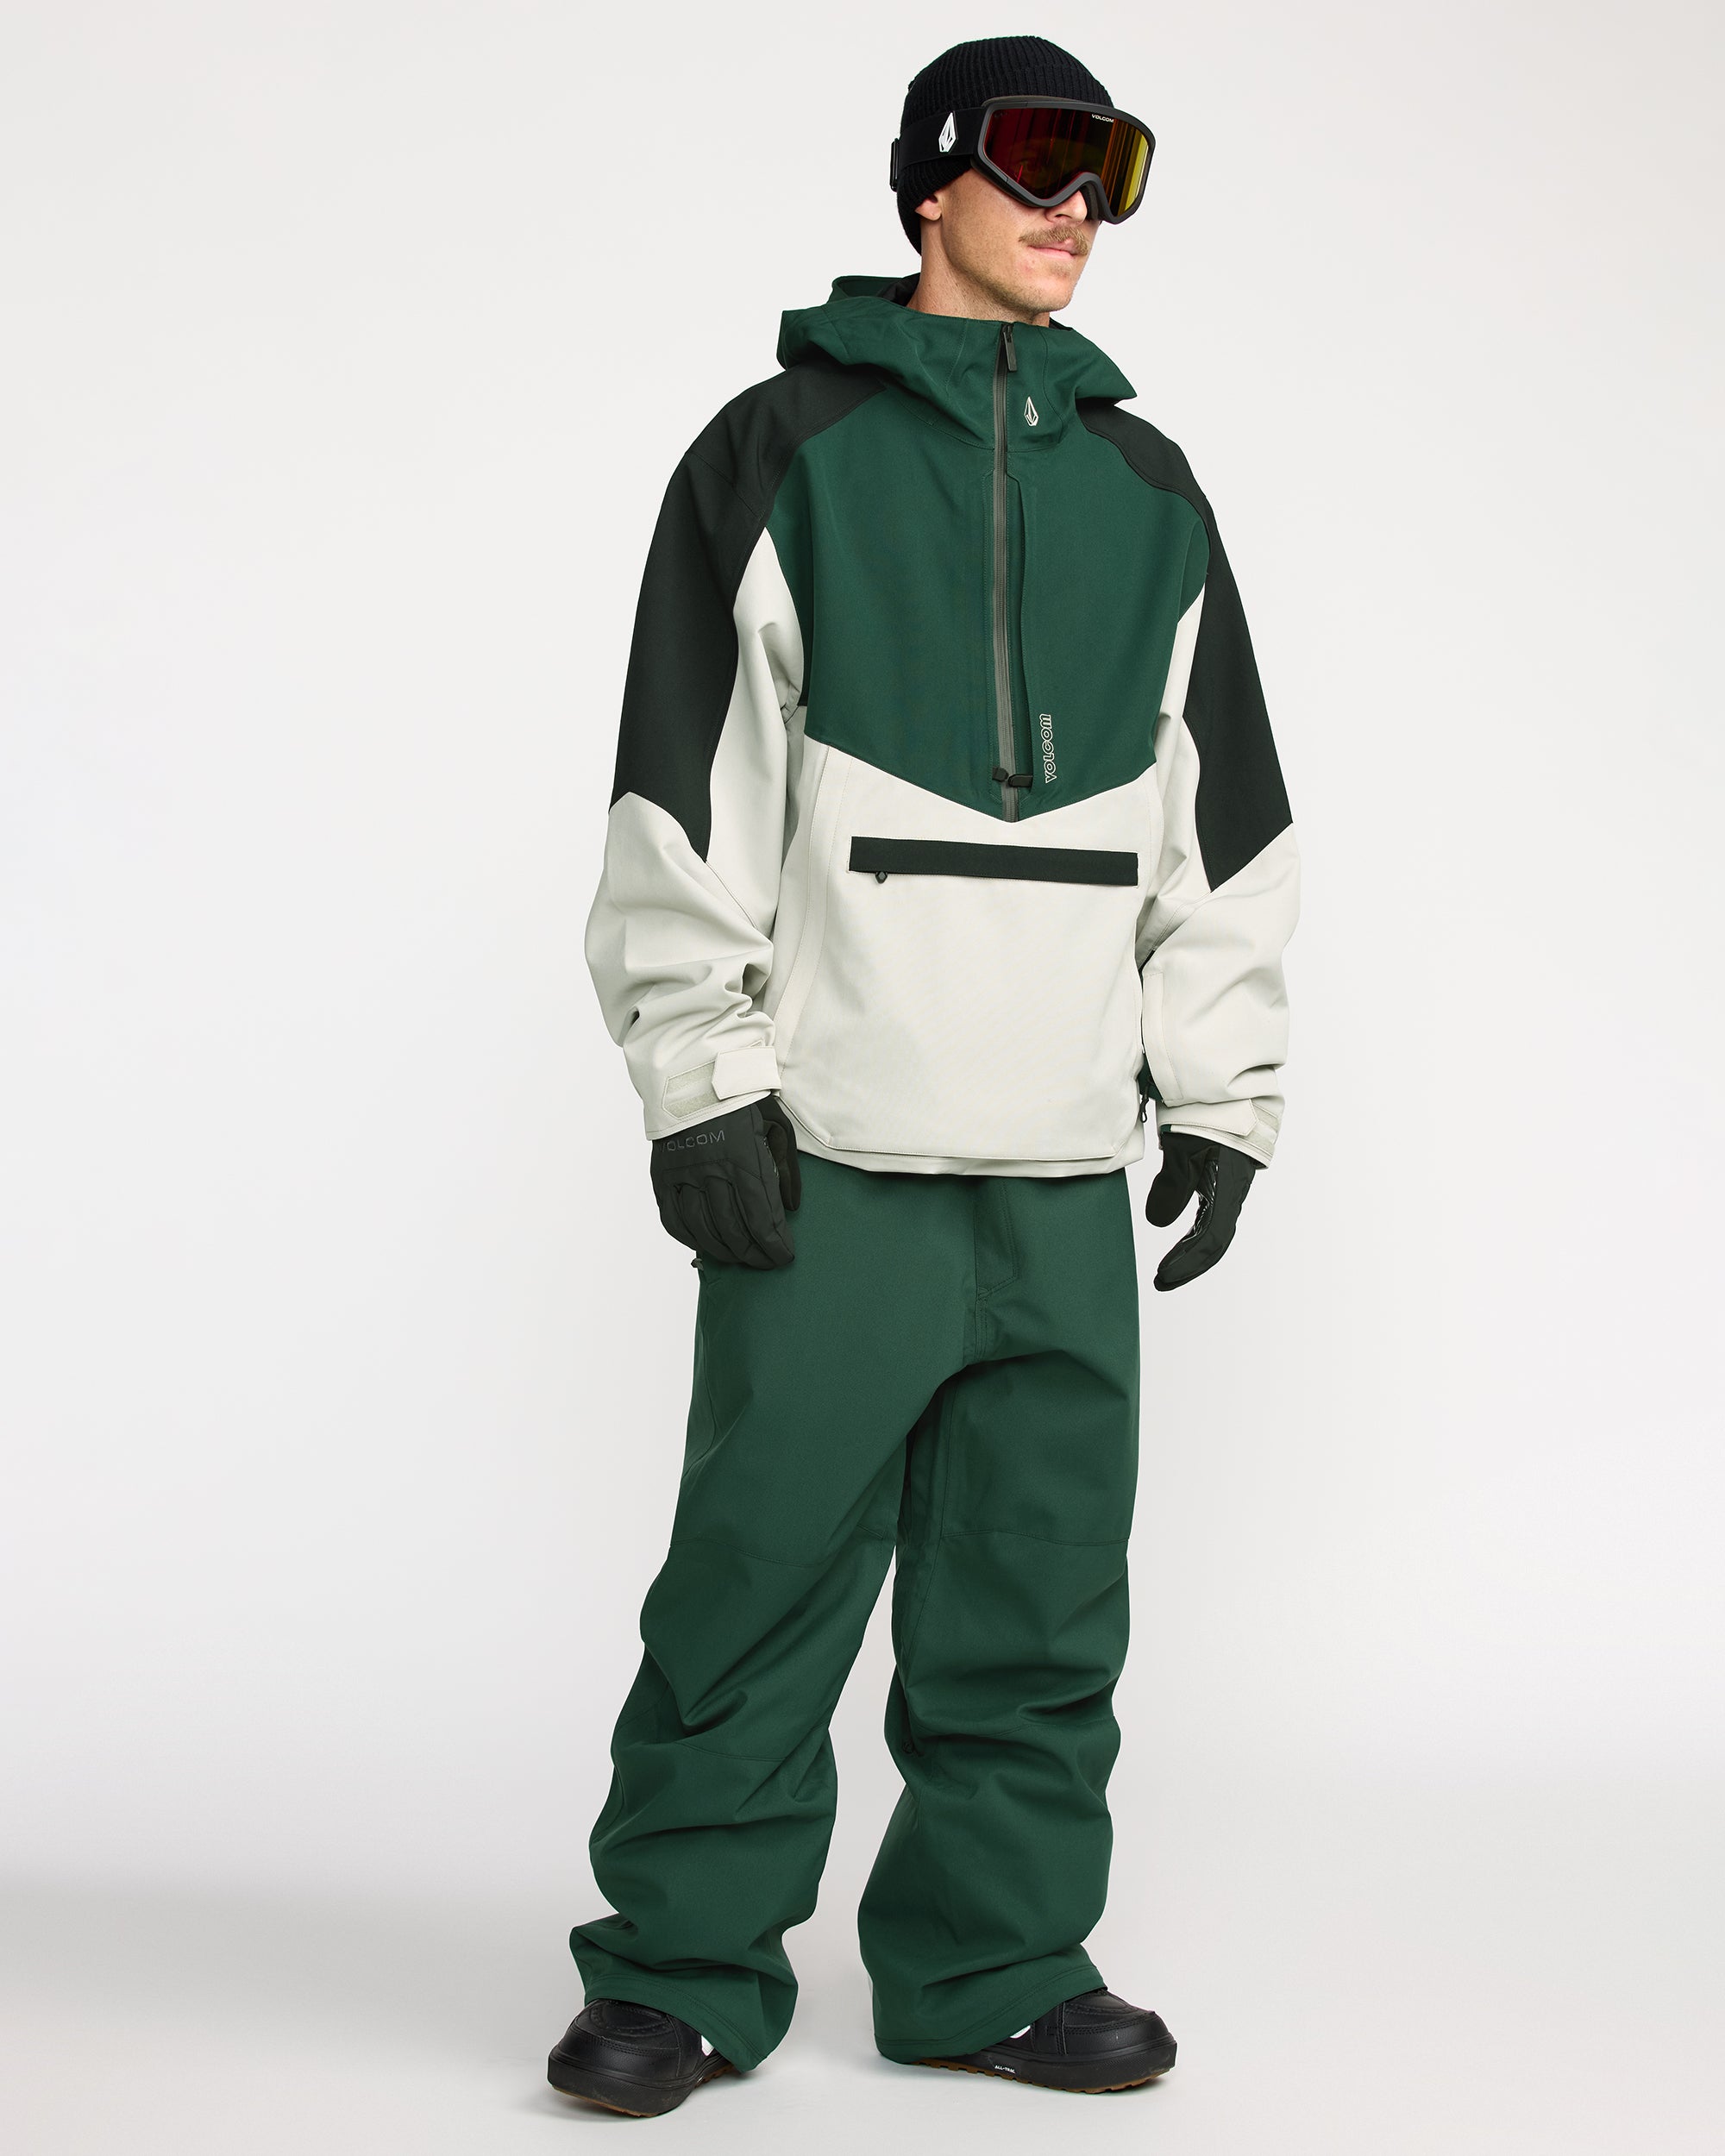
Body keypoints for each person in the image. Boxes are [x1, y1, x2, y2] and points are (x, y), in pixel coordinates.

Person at [548, 33, 1299, 2117]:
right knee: (758, 1576)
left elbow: (1220, 815)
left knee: (1038, 1599)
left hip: (1058, 1157)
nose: (1074, 208)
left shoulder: (1149, 493)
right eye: (1037, 161)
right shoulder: (778, 453)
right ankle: (681, 1969)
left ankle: (992, 1961)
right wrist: (700, 1079)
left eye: (1108, 171)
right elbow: (686, 781)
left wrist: (1221, 1092)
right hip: (833, 1148)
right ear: (928, 185)